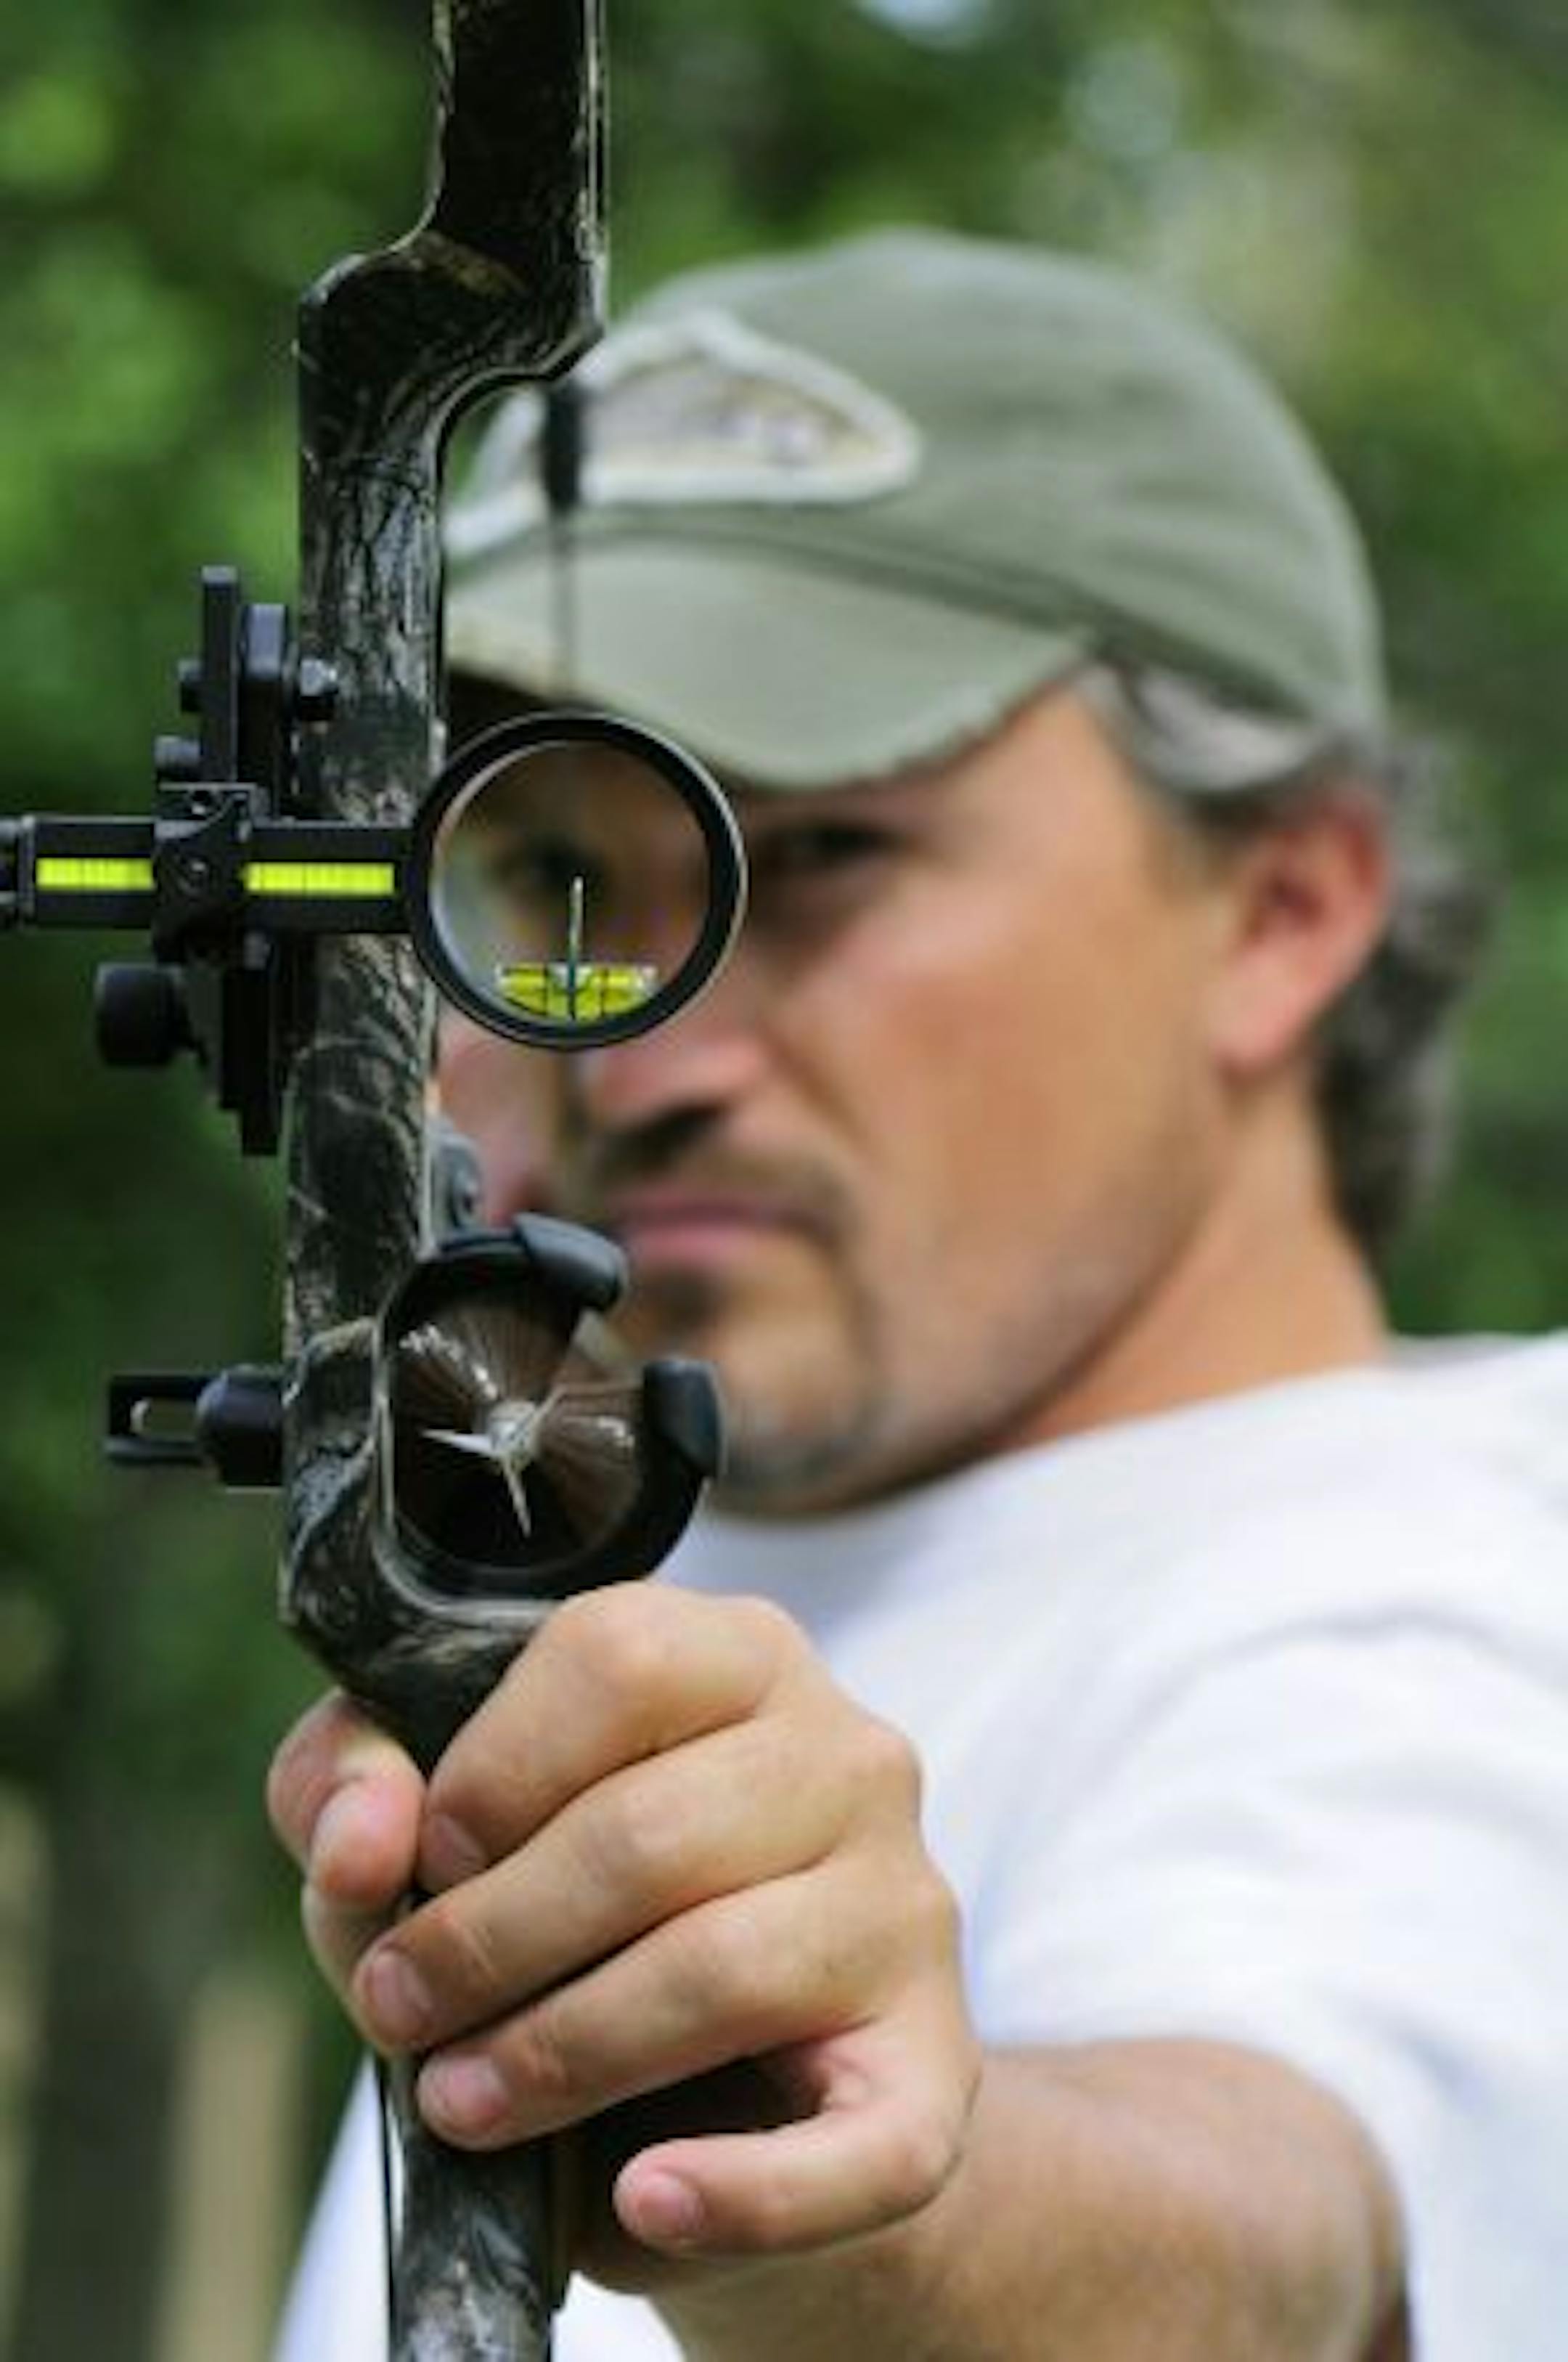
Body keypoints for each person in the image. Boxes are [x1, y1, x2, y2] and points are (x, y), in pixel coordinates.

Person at [268, 230, 1568, 2360]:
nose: (643, 1053)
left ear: (1286, 908)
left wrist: (861, 2214)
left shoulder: (1473, 1594)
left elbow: (1266, 2228)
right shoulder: (580, 1600)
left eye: (822, 860)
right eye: (546, 879)